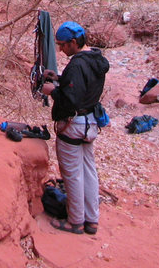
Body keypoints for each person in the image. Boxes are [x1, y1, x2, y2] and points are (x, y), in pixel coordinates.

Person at [41, 20, 109, 235]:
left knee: (72, 174)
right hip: (89, 123)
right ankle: (92, 220)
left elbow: (71, 99)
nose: (61, 49)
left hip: (73, 124)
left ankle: (75, 221)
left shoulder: (77, 63)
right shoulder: (96, 59)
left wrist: (52, 90)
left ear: (73, 42)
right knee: (89, 172)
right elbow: (81, 86)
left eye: (63, 45)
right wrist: (59, 79)